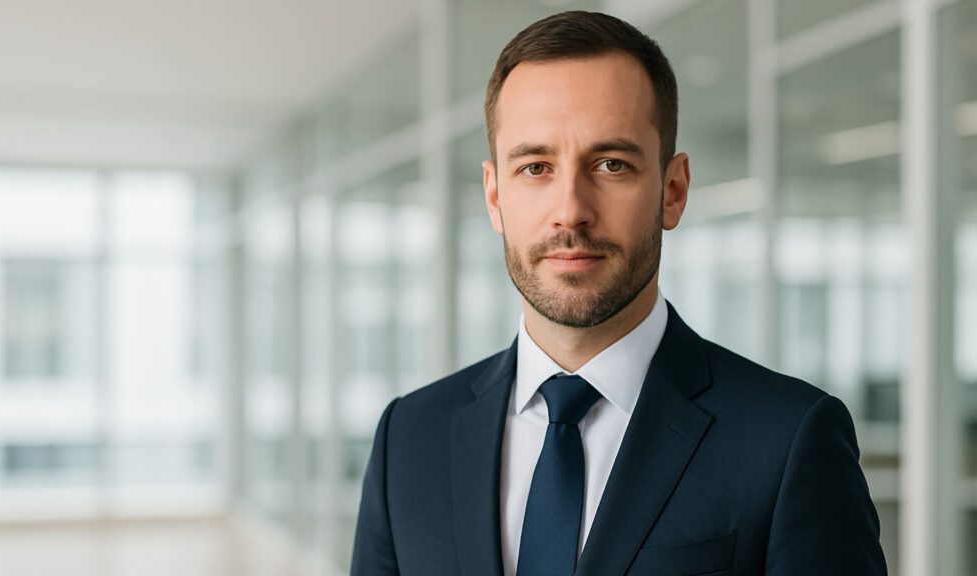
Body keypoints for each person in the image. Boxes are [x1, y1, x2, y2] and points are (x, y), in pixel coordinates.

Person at [351, 10, 886, 576]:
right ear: (494, 196)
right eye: (535, 167)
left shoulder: (787, 441)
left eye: (611, 164)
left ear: (673, 190)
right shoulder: (409, 440)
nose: (570, 211)